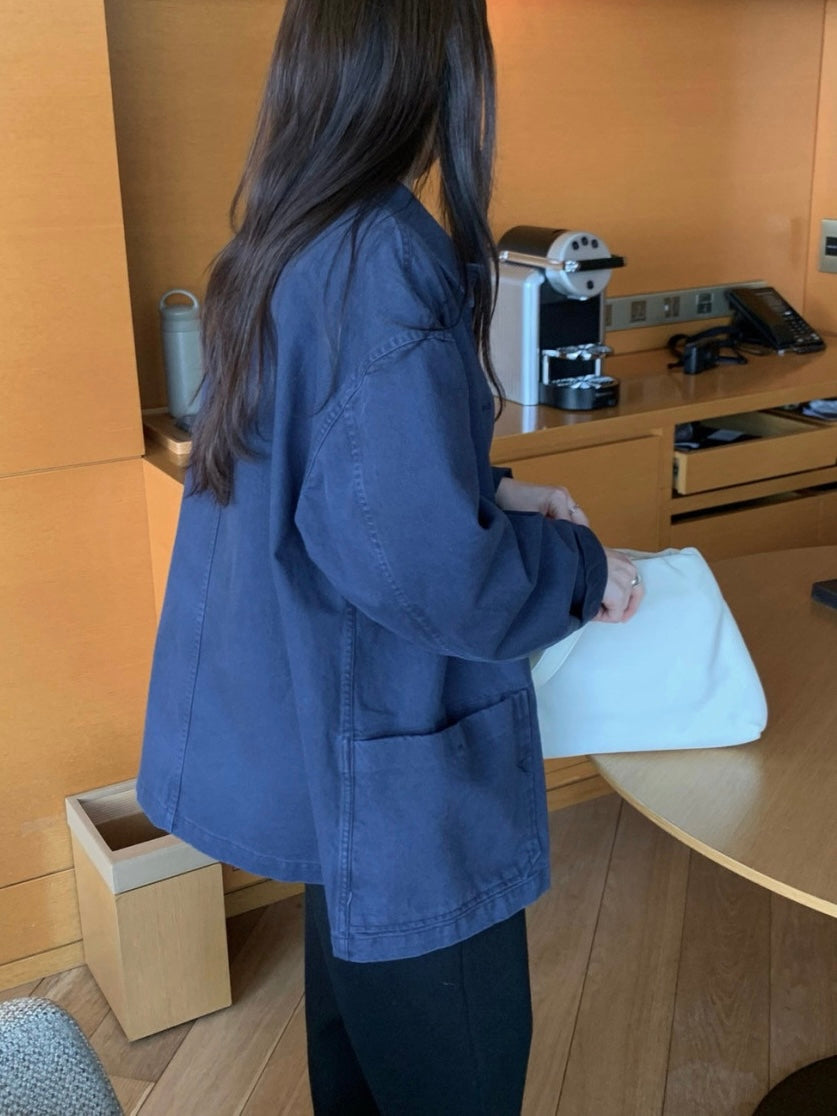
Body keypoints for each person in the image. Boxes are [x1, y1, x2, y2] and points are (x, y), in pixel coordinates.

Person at [136, 1, 643, 1112]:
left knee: (360, 1058)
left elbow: (327, 476)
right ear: (438, 66)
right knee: (453, 1071)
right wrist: (577, 570)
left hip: (336, 754)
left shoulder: (290, 231)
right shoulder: (382, 260)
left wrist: (492, 491)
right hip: (398, 770)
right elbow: (431, 574)